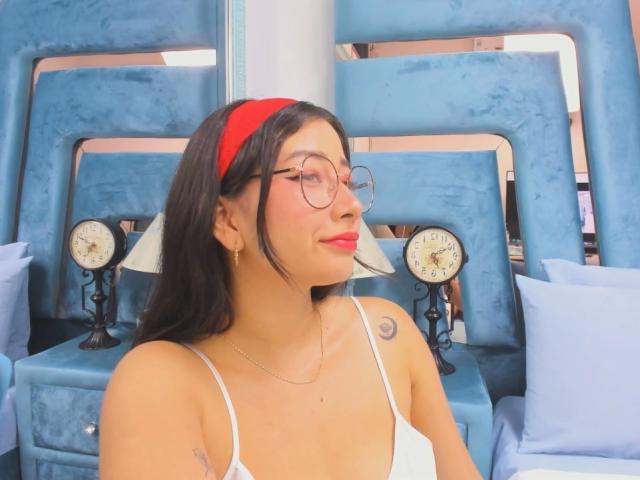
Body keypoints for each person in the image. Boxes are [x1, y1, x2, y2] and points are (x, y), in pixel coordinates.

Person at [99, 98, 481, 479]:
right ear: (227, 221)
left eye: (346, 182)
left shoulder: (390, 336)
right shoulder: (160, 384)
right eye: (309, 176)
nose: (352, 205)